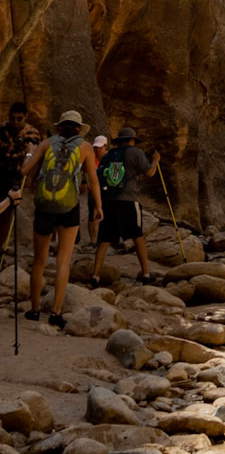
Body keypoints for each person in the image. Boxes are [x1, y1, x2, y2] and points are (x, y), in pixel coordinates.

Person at [24, 108, 101, 329]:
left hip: (45, 206)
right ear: (79, 128)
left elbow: (26, 171)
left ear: (60, 126)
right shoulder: (85, 147)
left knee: (39, 261)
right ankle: (56, 313)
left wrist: (29, 152)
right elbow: (93, 181)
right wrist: (99, 206)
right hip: (70, 207)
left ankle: (34, 309)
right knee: (63, 261)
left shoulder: (47, 143)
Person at [92, 127, 158, 284]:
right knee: (137, 236)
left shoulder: (109, 155)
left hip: (108, 200)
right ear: (132, 140)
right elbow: (149, 172)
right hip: (128, 200)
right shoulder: (135, 152)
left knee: (105, 239)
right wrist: (156, 160)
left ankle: (95, 275)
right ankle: (146, 274)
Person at [0, 103, 34, 257]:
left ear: (25, 118)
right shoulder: (2, 129)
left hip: (15, 177)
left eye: (19, 119)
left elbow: (31, 155)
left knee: (6, 214)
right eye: (12, 118)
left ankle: (1, 247)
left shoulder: (31, 133)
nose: (15, 121)